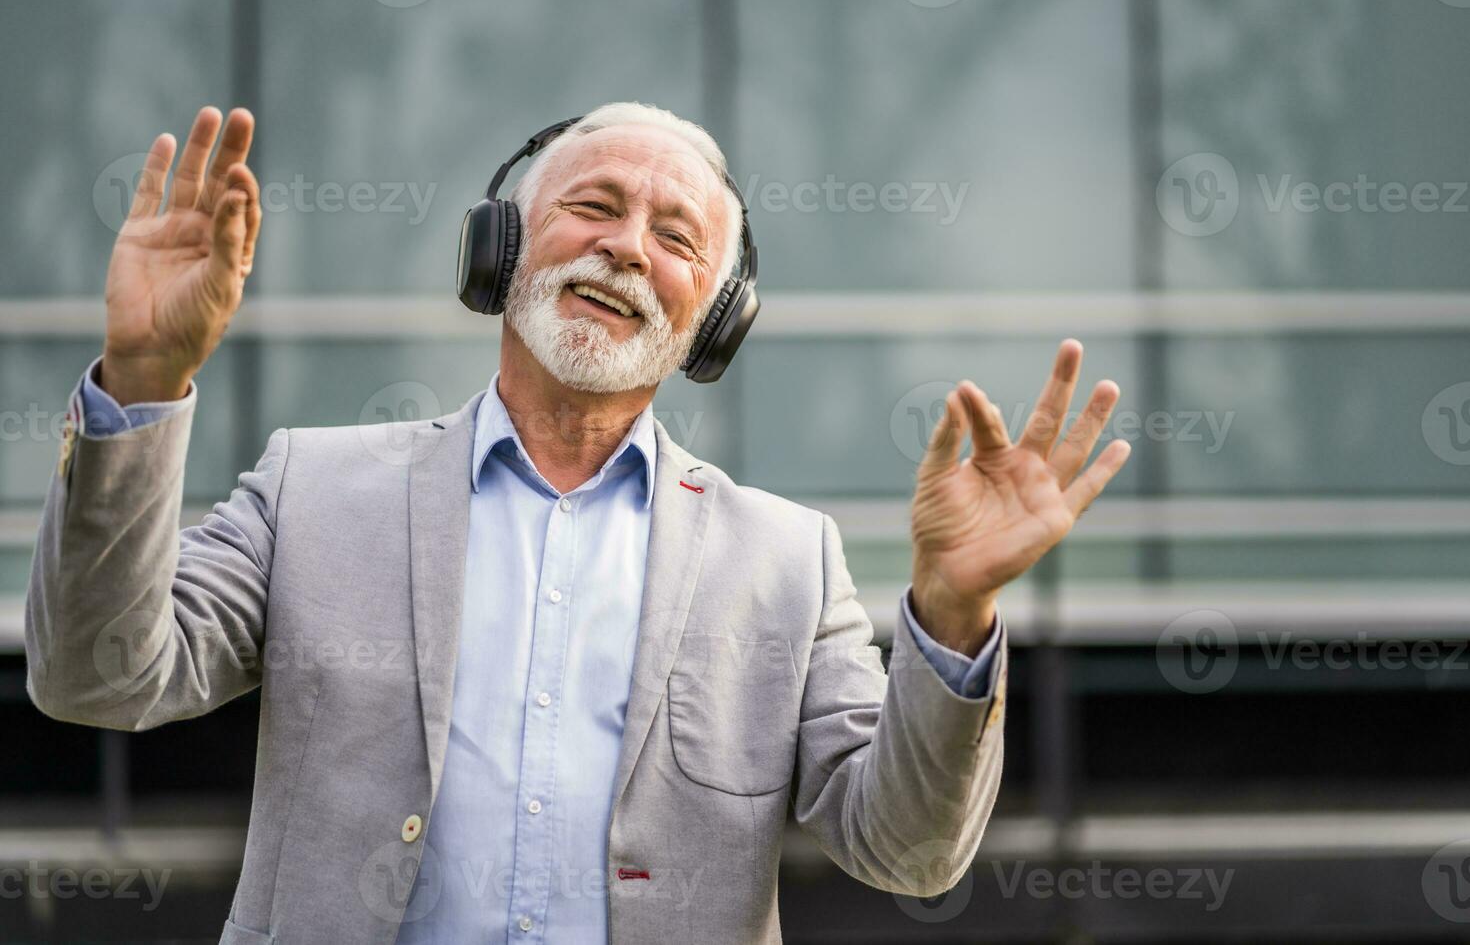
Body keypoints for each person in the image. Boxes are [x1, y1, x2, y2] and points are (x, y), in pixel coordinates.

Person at [24, 102, 1131, 944]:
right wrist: (144, 379)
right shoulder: (311, 488)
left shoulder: (788, 561)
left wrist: (953, 605)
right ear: (501, 250)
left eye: (677, 237)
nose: (627, 247)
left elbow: (907, 851)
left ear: (716, 320)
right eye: (594, 206)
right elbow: (100, 676)